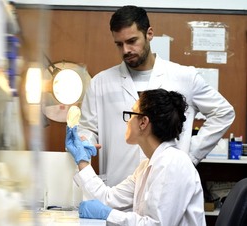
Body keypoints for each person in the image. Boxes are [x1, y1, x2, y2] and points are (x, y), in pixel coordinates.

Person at [78, 5, 235, 186]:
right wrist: (84, 142)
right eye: (119, 44)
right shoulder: (100, 83)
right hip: (117, 184)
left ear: (149, 34)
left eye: (132, 41)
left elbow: (223, 112)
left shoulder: (184, 77)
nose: (125, 50)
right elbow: (87, 129)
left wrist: (190, 154)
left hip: (168, 184)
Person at [66, 88, 206, 225]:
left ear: (143, 122)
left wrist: (108, 214)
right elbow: (107, 199)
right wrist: (82, 160)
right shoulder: (147, 166)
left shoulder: (173, 163)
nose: (127, 121)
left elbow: (157, 224)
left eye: (131, 114)